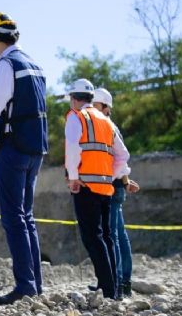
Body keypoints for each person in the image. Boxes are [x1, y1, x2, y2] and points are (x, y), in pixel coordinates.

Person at [0, 12, 48, 305]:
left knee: (13, 218)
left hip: (13, 150)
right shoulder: (34, 65)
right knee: (27, 218)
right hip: (35, 150)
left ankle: (25, 286)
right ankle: (35, 284)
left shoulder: (5, 65)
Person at [64, 78, 130, 300]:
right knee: (107, 238)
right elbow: (122, 155)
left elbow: (73, 148)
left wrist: (73, 177)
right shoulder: (107, 121)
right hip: (105, 187)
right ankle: (113, 289)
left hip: (85, 186)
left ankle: (109, 291)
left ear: (74, 99)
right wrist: (109, 176)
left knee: (93, 238)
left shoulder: (76, 117)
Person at [92, 87, 140, 298]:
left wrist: (123, 181)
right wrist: (127, 181)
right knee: (118, 234)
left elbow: (120, 158)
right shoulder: (109, 126)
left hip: (110, 187)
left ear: (104, 107)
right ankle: (123, 282)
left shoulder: (106, 126)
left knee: (113, 237)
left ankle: (117, 283)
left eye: (94, 105)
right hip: (116, 185)